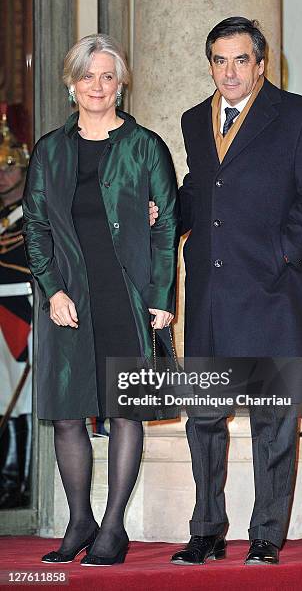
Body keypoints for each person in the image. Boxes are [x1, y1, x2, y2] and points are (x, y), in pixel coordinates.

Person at [157, 17, 302, 565]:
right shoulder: (195, 120)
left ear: (261, 64)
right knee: (205, 418)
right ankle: (207, 530)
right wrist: (164, 214)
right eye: (219, 60)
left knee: (272, 420)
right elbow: (199, 189)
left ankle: (266, 537)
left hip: (275, 294)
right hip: (211, 292)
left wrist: (275, 255)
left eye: (240, 60)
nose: (229, 71)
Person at [22, 34, 180, 566]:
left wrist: (160, 297)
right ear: (72, 84)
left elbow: (167, 225)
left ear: (121, 84)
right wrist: (52, 289)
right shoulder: (50, 149)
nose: (97, 86)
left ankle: (112, 527)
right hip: (68, 297)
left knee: (125, 411)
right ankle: (79, 520)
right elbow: (37, 226)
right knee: (69, 414)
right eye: (87, 76)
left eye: (108, 76)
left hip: (126, 295)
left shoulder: (145, 146)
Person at [0, 110, 32, 509]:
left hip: (22, 309)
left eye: (10, 167)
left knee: (19, 398)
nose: (4, 176)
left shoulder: (29, 214)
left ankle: (15, 480)